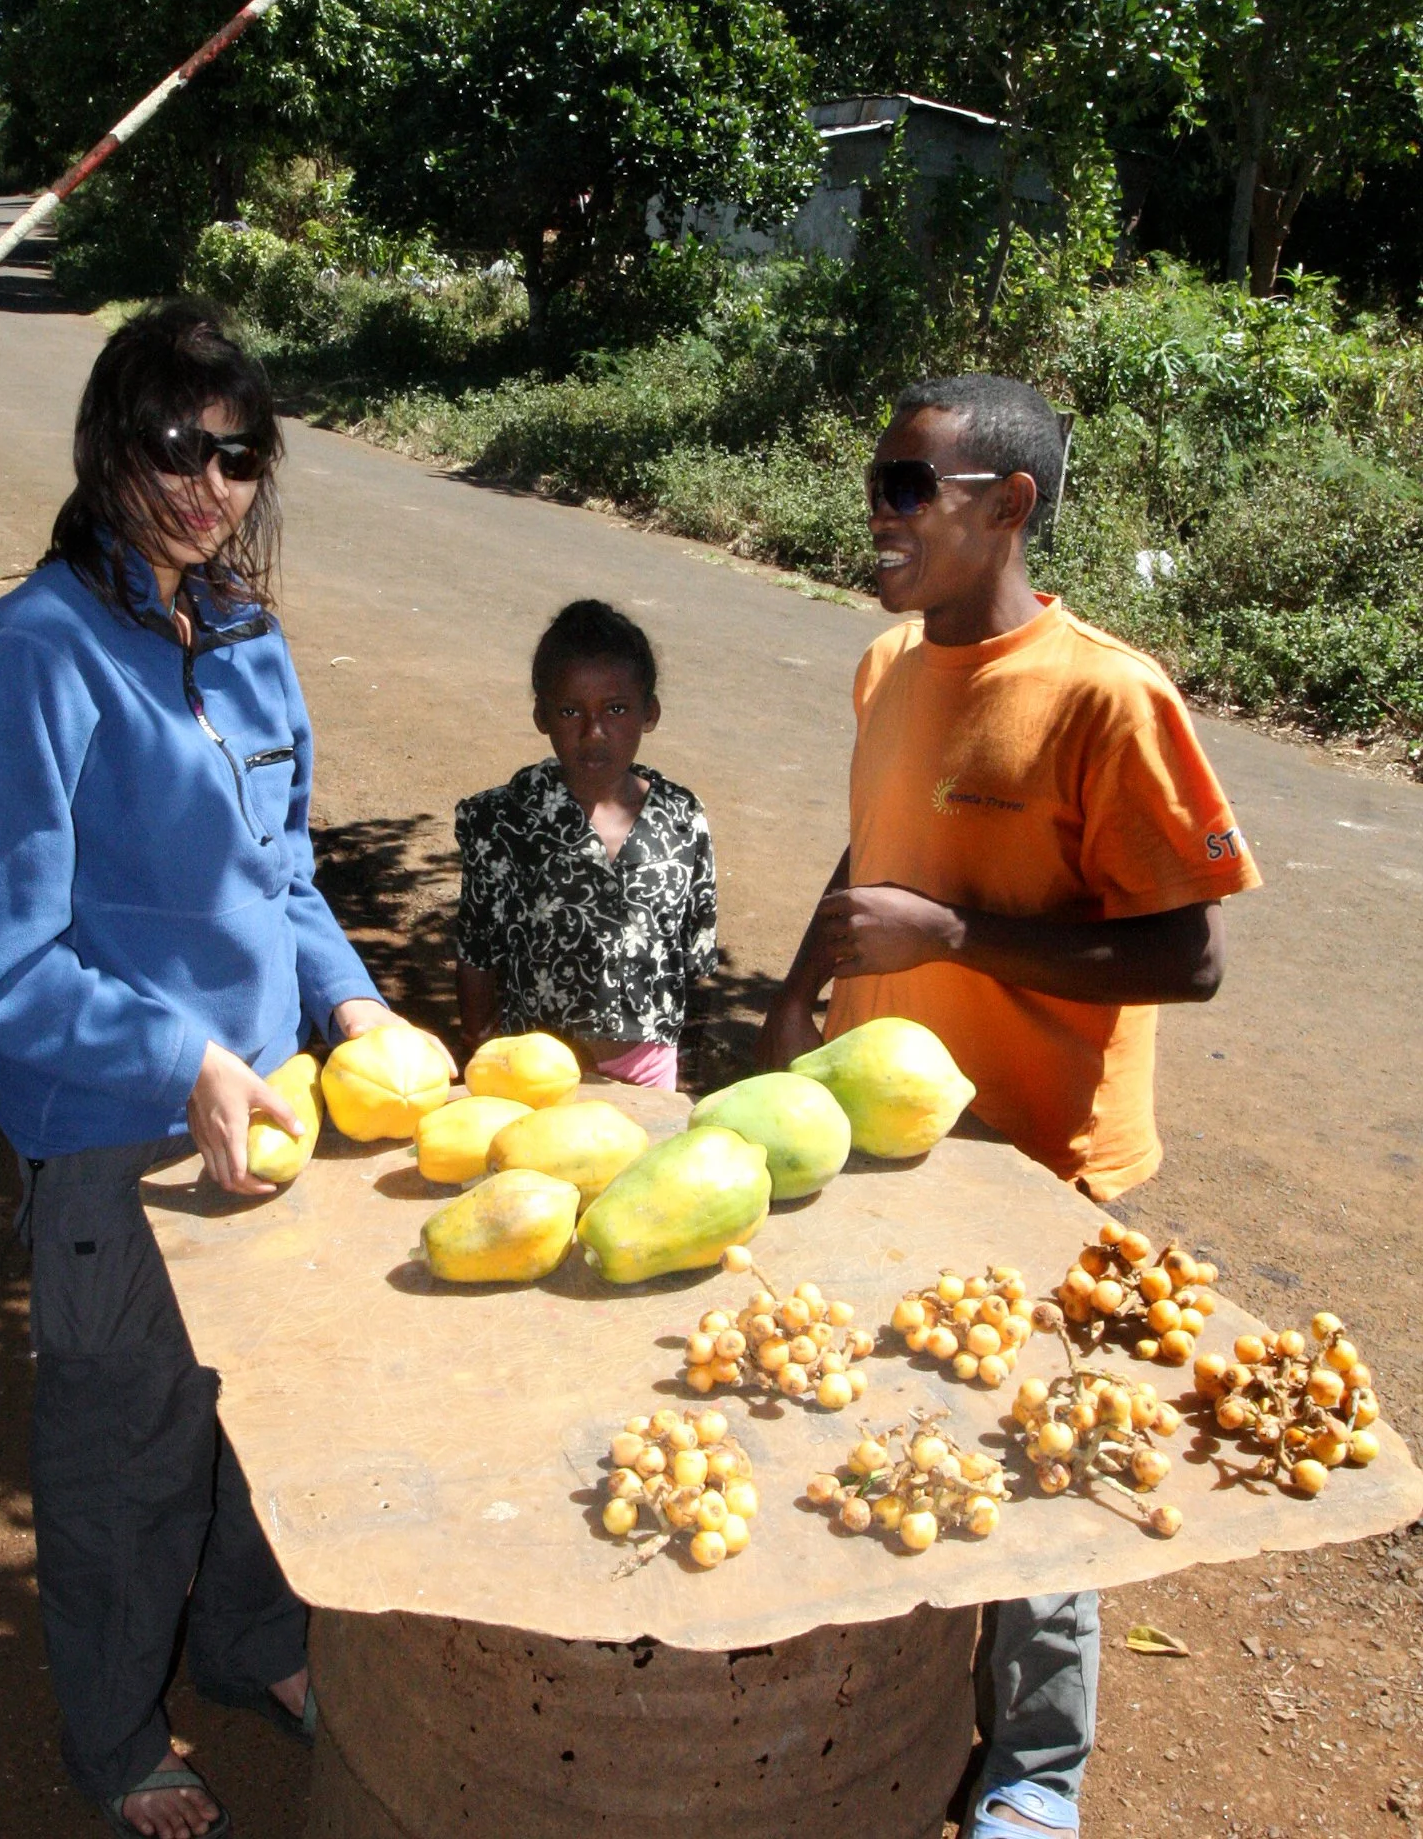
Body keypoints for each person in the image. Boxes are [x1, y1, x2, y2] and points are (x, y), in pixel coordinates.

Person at [0, 302, 449, 1839]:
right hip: (116, 1139)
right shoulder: (33, 654)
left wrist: (352, 1010)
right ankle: (111, 1735)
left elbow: (283, 880)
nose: (206, 481)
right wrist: (179, 1052)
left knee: (266, 1427)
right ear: (106, 447)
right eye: (174, 445)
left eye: (238, 452)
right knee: (129, 1452)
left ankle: (252, 1644)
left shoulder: (248, 642)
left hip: (268, 1115)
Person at [757, 374, 1260, 1839]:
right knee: (893, 1418)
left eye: (913, 486)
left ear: (1008, 508)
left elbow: (1193, 955)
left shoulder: (1109, 694)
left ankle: (1035, 1780)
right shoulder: (883, 665)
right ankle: (899, 1701)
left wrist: (960, 936)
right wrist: (798, 995)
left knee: (1042, 1465)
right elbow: (872, 857)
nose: (881, 510)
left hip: (1044, 1164)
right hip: (883, 1145)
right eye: (880, 478)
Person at [454, 598, 716, 1092]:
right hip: (534, 1068)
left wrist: (684, 1076)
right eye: (570, 710)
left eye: (616, 709)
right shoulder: (505, 820)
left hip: (648, 1068)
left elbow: (695, 956)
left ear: (649, 712)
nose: (593, 733)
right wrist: (480, 1046)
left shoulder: (682, 818)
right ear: (542, 715)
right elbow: (477, 949)